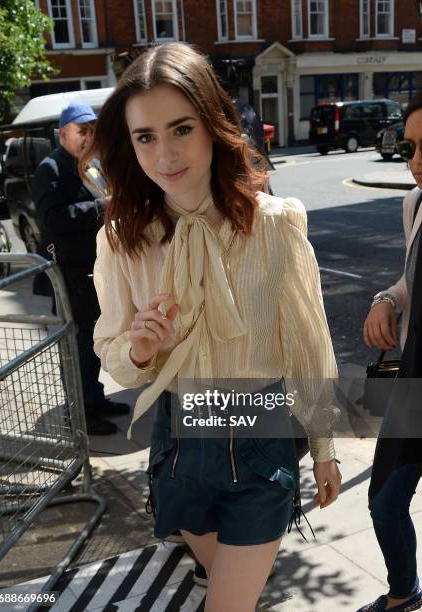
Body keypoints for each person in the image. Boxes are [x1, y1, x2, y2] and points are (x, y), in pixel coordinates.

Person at [89, 43, 341, 611]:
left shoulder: (274, 224)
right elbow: (108, 347)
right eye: (145, 137)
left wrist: (323, 444)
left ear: (213, 124)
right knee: (232, 591)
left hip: (259, 438)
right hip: (178, 445)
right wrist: (139, 347)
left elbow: (309, 341)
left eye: (182, 128)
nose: (165, 154)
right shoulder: (122, 238)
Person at [33, 102, 130, 436]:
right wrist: (100, 207)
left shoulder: (91, 166)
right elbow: (53, 219)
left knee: (93, 342)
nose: (89, 137)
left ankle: (94, 400)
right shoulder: (51, 168)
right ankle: (80, 418)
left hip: (92, 270)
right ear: (64, 134)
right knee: (76, 348)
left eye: (92, 130)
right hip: (67, 273)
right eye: (82, 131)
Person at [361, 93, 422, 612]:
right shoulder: (415, 203)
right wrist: (385, 300)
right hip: (412, 392)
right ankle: (403, 595)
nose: (417, 159)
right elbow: (411, 279)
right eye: (410, 145)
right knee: (384, 503)